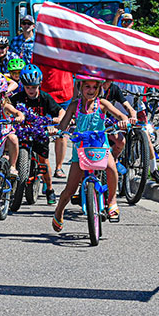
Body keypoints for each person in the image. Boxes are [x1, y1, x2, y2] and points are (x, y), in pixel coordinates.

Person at [52, 75, 130, 232]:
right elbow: (63, 125)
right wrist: (57, 130)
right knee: (70, 189)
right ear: (80, 88)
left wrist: (123, 121)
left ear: (100, 88)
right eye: (87, 86)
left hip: (100, 146)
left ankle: (112, 201)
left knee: (111, 168)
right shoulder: (75, 106)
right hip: (80, 149)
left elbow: (121, 116)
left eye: (95, 87)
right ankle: (58, 211)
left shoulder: (103, 104)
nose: (91, 90)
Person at [11, 64, 62, 204]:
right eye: (28, 87)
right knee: (12, 151)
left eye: (34, 87)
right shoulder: (18, 98)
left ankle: (50, 189)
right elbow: (7, 106)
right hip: (22, 133)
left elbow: (60, 111)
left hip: (40, 134)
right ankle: (12, 179)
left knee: (43, 161)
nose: (31, 90)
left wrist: (57, 121)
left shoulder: (45, 98)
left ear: (39, 84)